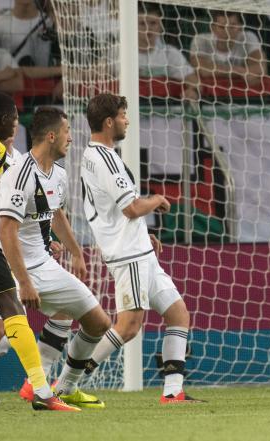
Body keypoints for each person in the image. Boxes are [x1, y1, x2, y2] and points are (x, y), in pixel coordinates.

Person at [79, 93, 202, 403]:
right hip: (128, 255)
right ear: (109, 122)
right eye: (123, 115)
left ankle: (173, 392)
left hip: (138, 249)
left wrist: (142, 234)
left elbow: (112, 209)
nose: (127, 121)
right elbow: (131, 208)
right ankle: (72, 377)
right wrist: (157, 200)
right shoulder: (105, 159)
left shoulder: (97, 156)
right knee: (129, 327)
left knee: (178, 315)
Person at [0, 107, 112, 409]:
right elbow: (6, 232)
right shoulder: (20, 174)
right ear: (51, 135)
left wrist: (74, 251)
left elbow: (54, 213)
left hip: (44, 264)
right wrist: (24, 282)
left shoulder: (57, 175)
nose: (71, 138)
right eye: (67, 131)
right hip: (10, 266)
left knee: (98, 322)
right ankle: (39, 386)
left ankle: (64, 387)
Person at [0, 91, 76, 411]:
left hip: (10, 246)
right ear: (7, 122)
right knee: (2, 325)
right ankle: (41, 390)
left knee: (12, 321)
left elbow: (24, 207)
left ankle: (39, 386)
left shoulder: (11, 160)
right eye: (16, 121)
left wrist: (45, 240)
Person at [138, 2, 198, 99]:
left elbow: (193, 80)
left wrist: (193, 90)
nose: (148, 28)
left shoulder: (170, 53)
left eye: (153, 23)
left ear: (161, 26)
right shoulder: (118, 54)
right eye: (142, 24)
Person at [190, 10, 265, 86]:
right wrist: (241, 71)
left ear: (241, 27)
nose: (227, 31)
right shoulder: (201, 40)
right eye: (221, 27)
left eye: (232, 26)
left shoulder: (248, 37)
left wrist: (217, 71)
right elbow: (203, 70)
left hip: (240, 90)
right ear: (213, 28)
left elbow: (260, 69)